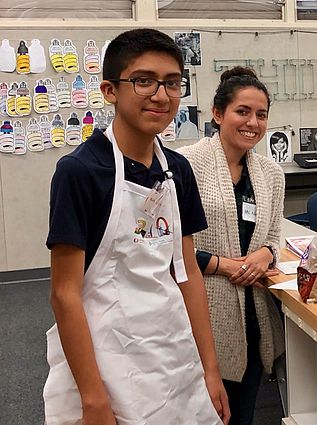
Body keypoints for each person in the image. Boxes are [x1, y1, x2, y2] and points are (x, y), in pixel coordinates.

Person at [44, 28, 228, 424]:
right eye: (143, 81)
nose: (161, 95)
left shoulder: (176, 169)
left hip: (171, 350)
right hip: (104, 359)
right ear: (110, 90)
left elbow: (187, 272)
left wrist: (209, 369)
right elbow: (64, 293)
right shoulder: (81, 172)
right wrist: (93, 400)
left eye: (173, 83)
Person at [179, 66, 285, 425]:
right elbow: (164, 246)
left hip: (253, 314)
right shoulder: (185, 166)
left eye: (261, 114)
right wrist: (223, 265)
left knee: (241, 412)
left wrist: (265, 253)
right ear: (218, 113)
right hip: (202, 310)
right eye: (242, 112)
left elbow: (274, 235)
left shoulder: (271, 174)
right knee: (203, 413)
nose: (252, 122)